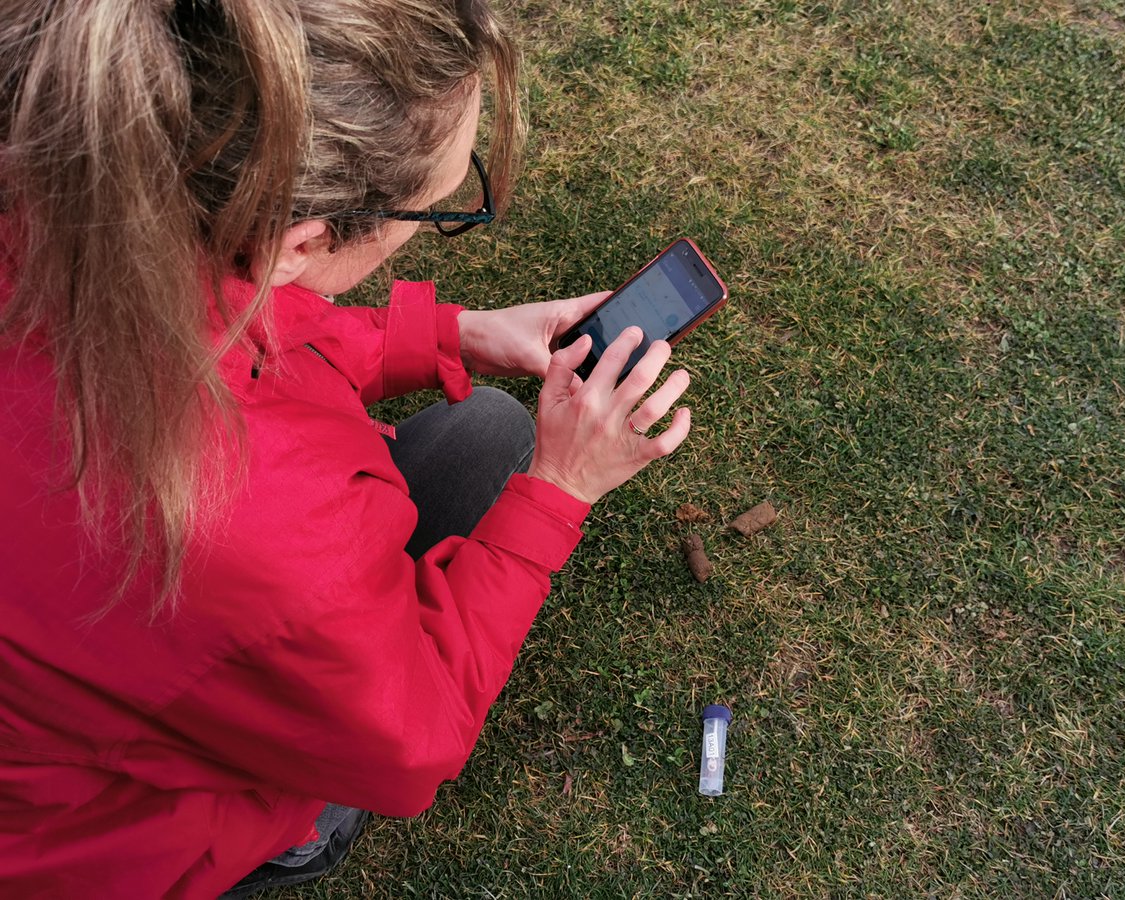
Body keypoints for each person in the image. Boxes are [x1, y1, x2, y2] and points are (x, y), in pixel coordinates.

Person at [0, 1, 692, 897]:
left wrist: (452, 335)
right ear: (302, 241)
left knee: (485, 427)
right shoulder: (267, 528)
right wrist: (561, 487)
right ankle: (288, 839)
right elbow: (415, 745)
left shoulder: (70, 187)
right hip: (92, 841)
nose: (434, 218)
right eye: (437, 208)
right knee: (494, 444)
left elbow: (234, 326)